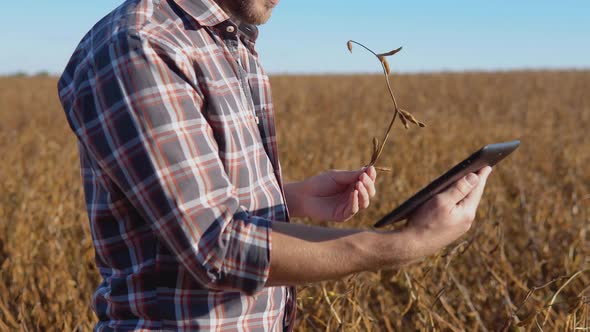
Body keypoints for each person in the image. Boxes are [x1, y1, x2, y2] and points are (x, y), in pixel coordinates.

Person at [57, 0, 492, 330]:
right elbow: (219, 246)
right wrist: (404, 245)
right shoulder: (142, 46)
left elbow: (184, 198)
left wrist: (293, 196)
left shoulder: (228, 39)